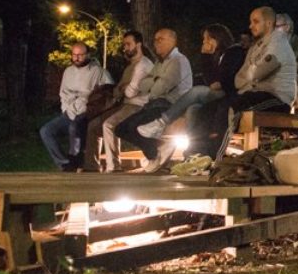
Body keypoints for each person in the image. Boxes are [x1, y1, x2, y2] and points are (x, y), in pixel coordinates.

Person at [195, 6, 298, 160]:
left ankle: (213, 158)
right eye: (251, 22)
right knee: (206, 109)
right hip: (252, 93)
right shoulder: (255, 47)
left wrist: (251, 75)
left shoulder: (278, 42)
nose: (251, 26)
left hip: (276, 97)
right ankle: (198, 154)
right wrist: (251, 76)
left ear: (269, 23)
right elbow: (239, 79)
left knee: (229, 109)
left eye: (256, 22)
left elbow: (259, 72)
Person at [135, 24, 239, 138]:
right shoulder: (217, 57)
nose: (204, 42)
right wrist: (206, 57)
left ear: (217, 38)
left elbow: (216, 84)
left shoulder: (232, 52)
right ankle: (194, 149)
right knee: (192, 109)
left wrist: (206, 57)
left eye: (206, 38)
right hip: (217, 94)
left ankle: (161, 123)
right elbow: (212, 82)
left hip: (229, 94)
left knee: (197, 91)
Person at [114, 28, 194, 173]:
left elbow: (158, 89)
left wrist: (154, 81)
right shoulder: (159, 63)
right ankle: (157, 148)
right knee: (120, 129)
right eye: (155, 39)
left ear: (172, 41)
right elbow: (143, 86)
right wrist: (156, 80)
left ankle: (153, 156)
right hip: (153, 104)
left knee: (134, 127)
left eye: (160, 39)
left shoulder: (178, 61)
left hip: (169, 105)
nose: (156, 43)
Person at [81, 30, 154, 172]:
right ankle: (91, 167)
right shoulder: (130, 67)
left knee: (109, 124)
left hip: (137, 105)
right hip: (124, 104)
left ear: (138, 45)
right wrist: (122, 88)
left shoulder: (143, 65)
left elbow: (130, 92)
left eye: (128, 44)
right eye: (124, 44)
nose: (125, 48)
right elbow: (119, 89)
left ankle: (114, 166)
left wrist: (123, 88)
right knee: (93, 125)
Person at [40, 42, 111, 171]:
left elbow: (108, 90)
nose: (77, 58)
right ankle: (64, 163)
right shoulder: (68, 72)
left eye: (80, 55)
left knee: (75, 127)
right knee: (46, 131)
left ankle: (76, 160)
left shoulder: (98, 71)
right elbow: (63, 93)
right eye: (74, 55)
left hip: (86, 111)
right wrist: (66, 109)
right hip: (69, 111)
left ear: (87, 55)